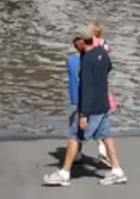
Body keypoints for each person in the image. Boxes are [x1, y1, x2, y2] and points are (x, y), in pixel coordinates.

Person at [45, 25, 127, 186]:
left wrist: (84, 115)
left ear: (82, 41)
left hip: (91, 109)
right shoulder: (102, 53)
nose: (74, 44)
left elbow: (87, 89)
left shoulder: (87, 59)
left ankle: (64, 174)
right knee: (106, 137)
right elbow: (109, 68)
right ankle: (117, 171)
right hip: (103, 105)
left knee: (74, 137)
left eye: (76, 41)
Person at [67, 36, 110, 168]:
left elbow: (78, 81)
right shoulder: (95, 58)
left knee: (76, 132)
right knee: (101, 129)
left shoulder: (74, 60)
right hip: (95, 98)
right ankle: (103, 153)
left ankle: (71, 162)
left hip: (83, 98)